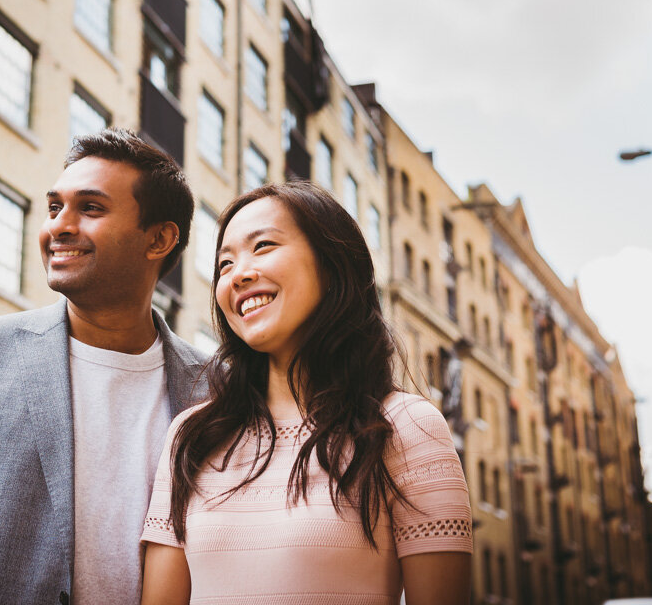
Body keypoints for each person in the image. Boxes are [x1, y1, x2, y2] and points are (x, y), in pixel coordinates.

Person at [0, 129, 208, 605]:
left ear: (159, 239)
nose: (59, 227)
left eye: (90, 208)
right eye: (54, 208)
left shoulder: (220, 387)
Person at [140, 182, 473, 605]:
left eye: (262, 246)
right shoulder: (191, 435)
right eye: (224, 263)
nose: (237, 274)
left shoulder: (406, 427)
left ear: (331, 265)